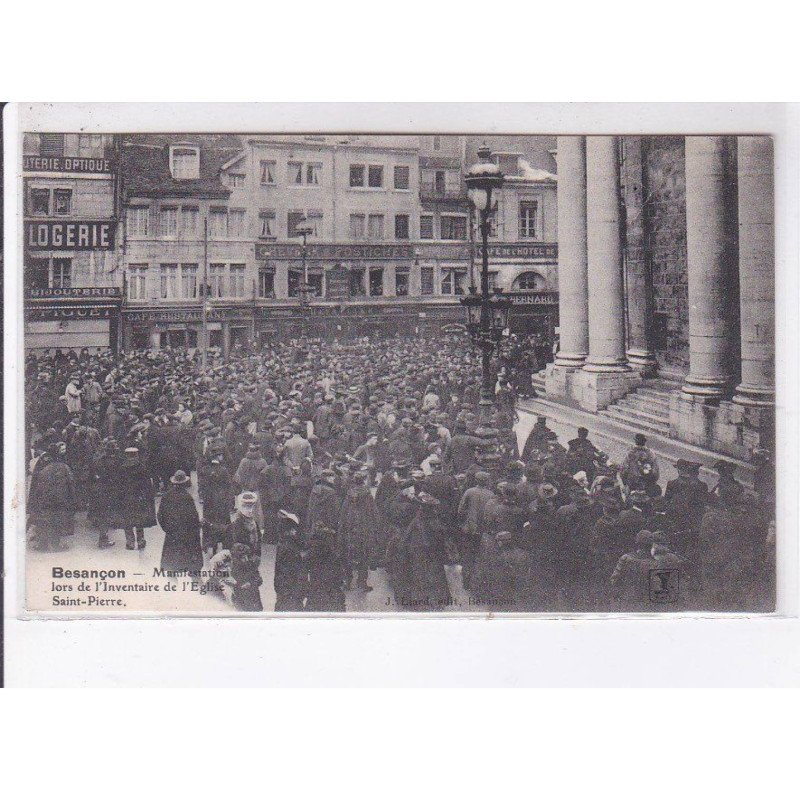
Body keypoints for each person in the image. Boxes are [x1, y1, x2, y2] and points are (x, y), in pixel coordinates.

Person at [27, 441, 77, 552]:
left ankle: (43, 545)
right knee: (57, 521)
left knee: (45, 520)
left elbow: (37, 486)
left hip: (46, 499)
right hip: (60, 499)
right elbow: (71, 484)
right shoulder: (64, 467)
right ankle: (56, 545)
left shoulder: (44, 467)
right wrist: (73, 500)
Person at [157, 470, 203, 576]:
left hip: (172, 533)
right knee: (189, 557)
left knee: (171, 559)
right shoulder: (187, 498)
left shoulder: (166, 496)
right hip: (186, 534)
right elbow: (193, 517)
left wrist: (167, 528)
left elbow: (160, 515)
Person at [117, 447, 156, 551]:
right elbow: (147, 484)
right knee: (139, 520)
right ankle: (140, 541)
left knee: (127, 520)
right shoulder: (142, 467)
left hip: (126, 497)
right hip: (139, 497)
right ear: (136, 455)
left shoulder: (122, 468)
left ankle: (130, 542)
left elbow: (118, 484)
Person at [273, 510, 307, 611]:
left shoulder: (284, 544)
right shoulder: (290, 548)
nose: (296, 532)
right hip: (289, 592)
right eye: (294, 529)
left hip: (284, 591)